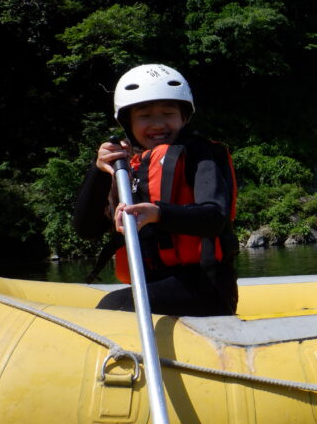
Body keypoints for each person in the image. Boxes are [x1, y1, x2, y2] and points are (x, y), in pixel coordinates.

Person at [74, 64, 239, 316]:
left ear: (184, 117)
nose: (158, 123)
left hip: (205, 287)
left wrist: (158, 213)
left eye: (168, 113)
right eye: (145, 115)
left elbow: (214, 218)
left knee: (114, 306)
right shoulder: (125, 165)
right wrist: (99, 171)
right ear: (128, 123)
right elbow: (87, 230)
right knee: (114, 304)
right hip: (152, 284)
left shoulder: (203, 154)